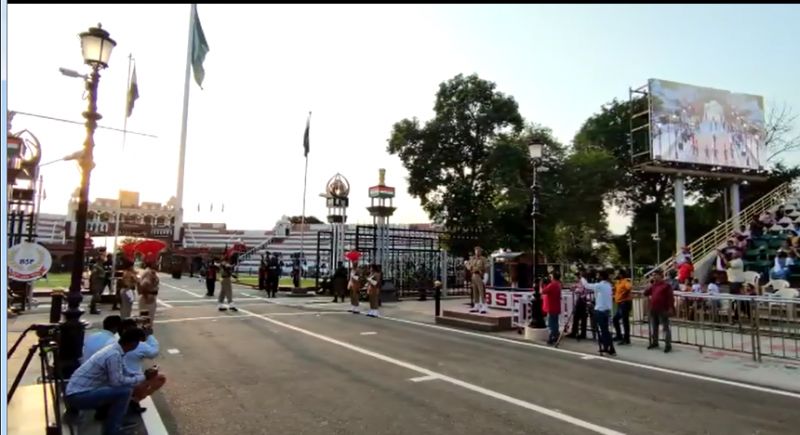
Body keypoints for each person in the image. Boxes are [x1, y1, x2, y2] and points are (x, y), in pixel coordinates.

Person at [65, 328, 151, 435]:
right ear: (133, 343)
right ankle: (112, 430)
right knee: (125, 391)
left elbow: (125, 370)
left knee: (121, 389)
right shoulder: (113, 355)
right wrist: (143, 378)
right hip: (78, 396)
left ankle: (114, 422)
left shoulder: (115, 350)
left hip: (78, 392)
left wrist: (143, 375)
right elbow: (117, 382)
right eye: (139, 342)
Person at [119, 319, 165, 413]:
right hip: (125, 384)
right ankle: (134, 401)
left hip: (109, 383)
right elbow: (153, 352)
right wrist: (149, 335)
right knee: (161, 378)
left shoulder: (113, 340)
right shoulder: (137, 345)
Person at [580, 270, 616, 356]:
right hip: (606, 310)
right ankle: (608, 347)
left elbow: (587, 285)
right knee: (605, 330)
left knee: (604, 330)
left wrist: (582, 277)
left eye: (598, 275)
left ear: (601, 277)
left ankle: (609, 347)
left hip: (600, 311)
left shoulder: (601, 285)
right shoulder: (608, 285)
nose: (597, 277)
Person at [644, 270, 674, 353]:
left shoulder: (666, 286)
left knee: (665, 327)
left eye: (655, 275)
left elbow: (670, 298)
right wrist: (649, 284)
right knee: (654, 327)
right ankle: (655, 342)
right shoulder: (653, 285)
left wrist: (670, 308)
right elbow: (646, 293)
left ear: (661, 276)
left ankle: (668, 345)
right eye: (653, 275)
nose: (654, 277)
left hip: (663, 309)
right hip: (654, 309)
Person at [466, 246, 490, 314]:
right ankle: (476, 306)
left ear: (480, 252)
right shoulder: (472, 258)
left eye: (478, 251)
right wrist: (469, 266)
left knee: (481, 291)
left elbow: (487, 267)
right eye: (476, 250)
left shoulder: (483, 259)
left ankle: (484, 306)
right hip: (473, 275)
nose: (477, 252)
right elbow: (468, 265)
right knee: (475, 291)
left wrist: (486, 276)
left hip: (480, 276)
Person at [540, 272, 562, 345]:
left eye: (551, 276)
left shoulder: (552, 285)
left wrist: (541, 285)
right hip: (556, 306)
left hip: (551, 307)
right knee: (555, 323)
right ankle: (555, 336)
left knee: (551, 323)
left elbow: (543, 291)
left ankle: (551, 337)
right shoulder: (558, 284)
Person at [612, 269, 632, 345]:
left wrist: (624, 294)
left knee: (625, 321)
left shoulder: (625, 281)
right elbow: (616, 289)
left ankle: (626, 339)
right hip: (620, 303)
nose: (616, 275)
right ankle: (619, 335)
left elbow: (629, 287)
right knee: (615, 319)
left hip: (625, 303)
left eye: (617, 273)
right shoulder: (618, 282)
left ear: (621, 275)